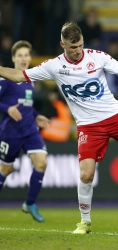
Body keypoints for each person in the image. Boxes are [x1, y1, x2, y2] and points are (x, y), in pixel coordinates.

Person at [0, 21, 118, 234]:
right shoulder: (54, 66)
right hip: (88, 126)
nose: (77, 51)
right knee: (86, 174)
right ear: (62, 44)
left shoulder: (98, 57)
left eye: (80, 45)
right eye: (72, 47)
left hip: (116, 117)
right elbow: (19, 75)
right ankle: (85, 222)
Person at [0, 40, 49, 222]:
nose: (23, 59)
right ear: (13, 58)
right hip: (10, 133)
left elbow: (26, 104)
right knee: (6, 169)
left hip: (30, 131)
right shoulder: (5, 80)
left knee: (42, 164)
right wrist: (8, 109)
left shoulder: (31, 79)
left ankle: (29, 203)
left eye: (26, 55)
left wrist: (36, 116)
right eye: (19, 55)